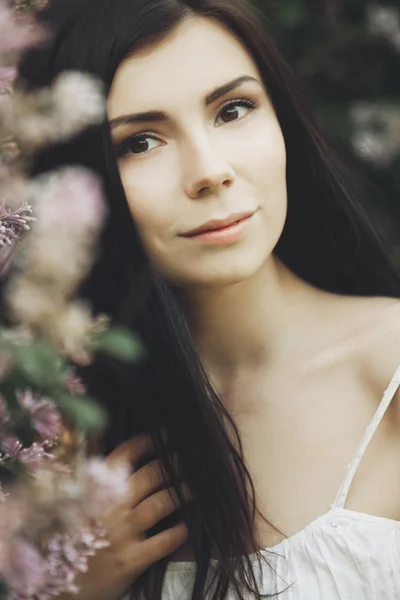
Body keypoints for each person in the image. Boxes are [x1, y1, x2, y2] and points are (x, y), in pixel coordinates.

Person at [17, 0, 400, 598]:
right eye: (141, 142)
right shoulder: (56, 437)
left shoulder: (387, 373)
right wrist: (67, 585)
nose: (209, 171)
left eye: (233, 109)